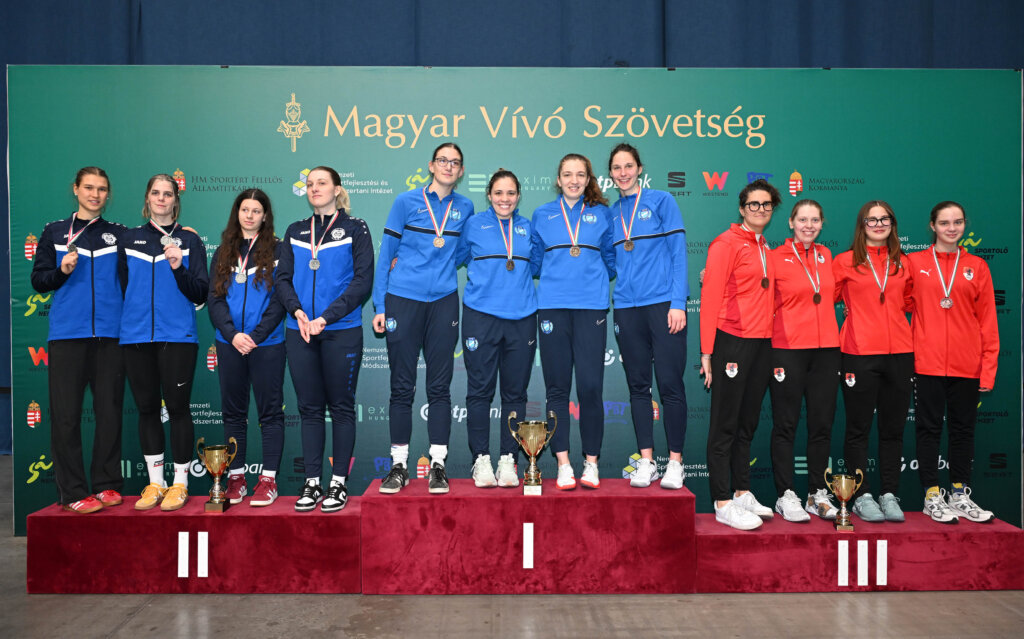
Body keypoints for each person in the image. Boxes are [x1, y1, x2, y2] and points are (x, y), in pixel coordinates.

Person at [373, 143, 473, 495]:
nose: (448, 166)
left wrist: (439, 268)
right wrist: (380, 305)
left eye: (455, 162)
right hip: (402, 299)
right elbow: (386, 254)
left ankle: (438, 465)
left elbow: (461, 253)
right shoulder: (405, 202)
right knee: (402, 386)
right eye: (443, 160)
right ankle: (399, 465)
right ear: (431, 165)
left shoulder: (465, 207)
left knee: (439, 387)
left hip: (443, 302)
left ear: (461, 171)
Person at [30, 167, 126, 513]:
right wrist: (62, 272)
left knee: (109, 414)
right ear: (75, 189)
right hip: (68, 336)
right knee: (66, 417)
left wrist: (179, 236)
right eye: (88, 187)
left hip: (111, 336)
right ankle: (72, 492)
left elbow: (146, 259)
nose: (95, 194)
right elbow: (39, 281)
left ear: (108, 194)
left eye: (101, 189)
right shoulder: (55, 232)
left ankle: (106, 484)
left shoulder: (119, 234)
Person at [277, 166, 373, 512]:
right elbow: (282, 279)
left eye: (321, 183)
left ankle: (338, 484)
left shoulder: (355, 228)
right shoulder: (295, 230)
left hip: (340, 329)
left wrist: (326, 317)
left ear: (337, 189)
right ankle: (312, 482)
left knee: (342, 407)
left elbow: (362, 281)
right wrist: (298, 312)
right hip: (301, 330)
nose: (314, 188)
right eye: (309, 184)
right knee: (309, 409)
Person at [119, 174, 209, 511]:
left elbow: (200, 292)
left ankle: (180, 484)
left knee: (178, 409)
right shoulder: (129, 239)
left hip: (178, 336)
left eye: (167, 193)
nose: (161, 198)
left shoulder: (190, 241)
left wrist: (178, 266)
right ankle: (155, 483)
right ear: (147, 198)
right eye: (155, 193)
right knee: (146, 409)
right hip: (136, 336)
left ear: (175, 200)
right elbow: (122, 287)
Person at [907, 201, 998, 523]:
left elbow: (988, 320)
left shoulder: (977, 266)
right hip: (927, 362)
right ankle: (932, 495)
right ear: (932, 226)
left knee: (963, 431)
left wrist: (987, 369)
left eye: (957, 222)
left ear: (964, 225)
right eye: (944, 222)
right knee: (928, 429)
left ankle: (960, 494)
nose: (951, 228)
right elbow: (895, 303)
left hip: (966, 364)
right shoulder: (914, 262)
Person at [530, 153, 615, 490]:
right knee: (557, 388)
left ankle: (591, 463)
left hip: (591, 307)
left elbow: (611, 259)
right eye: (568, 174)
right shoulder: (542, 214)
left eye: (580, 174)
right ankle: (563, 463)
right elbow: (535, 261)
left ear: (589, 179)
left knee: (591, 387)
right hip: (552, 307)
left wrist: (589, 279)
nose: (574, 180)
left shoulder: (602, 213)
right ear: (558, 179)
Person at [699, 178, 779, 530]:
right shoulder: (725, 243)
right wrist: (707, 352)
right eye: (753, 204)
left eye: (766, 204)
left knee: (747, 424)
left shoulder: (765, 247)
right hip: (731, 340)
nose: (760, 209)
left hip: (763, 344)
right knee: (724, 425)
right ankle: (721, 501)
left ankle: (742, 491)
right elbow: (709, 299)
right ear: (742, 208)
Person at [607, 144, 688, 490]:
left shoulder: (661, 201)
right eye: (616, 168)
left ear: (639, 168)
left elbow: (678, 254)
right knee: (638, 387)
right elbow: (609, 262)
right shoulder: (611, 213)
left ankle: (675, 463)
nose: (623, 172)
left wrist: (678, 302)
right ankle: (646, 461)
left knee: (670, 385)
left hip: (663, 305)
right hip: (627, 307)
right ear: (611, 174)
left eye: (628, 166)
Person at [454, 169, 537, 487]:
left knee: (515, 393)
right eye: (499, 193)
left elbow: (537, 264)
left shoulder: (528, 228)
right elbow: (455, 257)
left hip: (522, 317)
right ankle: (481, 460)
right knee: (479, 390)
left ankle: (508, 460)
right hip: (481, 316)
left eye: (511, 193)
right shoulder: (473, 224)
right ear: (489, 195)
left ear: (518, 196)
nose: (505, 199)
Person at [832, 200, 913, 523]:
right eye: (872, 220)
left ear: (892, 224)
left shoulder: (904, 263)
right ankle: (861, 495)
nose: (879, 224)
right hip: (858, 353)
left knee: (893, 430)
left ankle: (889, 493)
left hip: (900, 354)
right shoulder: (844, 261)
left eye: (885, 219)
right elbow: (818, 295)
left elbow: (912, 302)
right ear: (862, 225)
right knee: (858, 429)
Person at [207, 189, 287, 507]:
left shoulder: (278, 250)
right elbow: (214, 298)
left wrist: (255, 335)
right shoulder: (223, 251)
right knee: (233, 414)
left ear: (265, 216)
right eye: (244, 210)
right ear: (237, 213)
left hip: (267, 343)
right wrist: (232, 335)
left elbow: (280, 299)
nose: (250, 215)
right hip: (229, 344)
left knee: (270, 413)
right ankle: (236, 477)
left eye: (256, 211)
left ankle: (268, 481)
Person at [767, 200, 841, 522]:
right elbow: (751, 288)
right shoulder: (774, 258)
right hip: (788, 350)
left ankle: (816, 494)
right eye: (802, 219)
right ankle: (785, 495)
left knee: (821, 425)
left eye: (814, 220)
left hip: (827, 351)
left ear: (822, 223)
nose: (808, 226)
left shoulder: (828, 256)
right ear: (791, 223)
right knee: (786, 424)